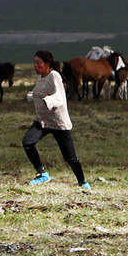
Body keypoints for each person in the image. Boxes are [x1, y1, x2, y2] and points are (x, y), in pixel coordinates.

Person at [23, 50, 91, 189]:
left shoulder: (54, 76)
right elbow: (40, 92)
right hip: (42, 121)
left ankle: (82, 182)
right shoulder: (41, 77)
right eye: (34, 63)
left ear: (47, 63)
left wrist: (48, 100)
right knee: (28, 142)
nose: (35, 66)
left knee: (70, 158)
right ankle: (42, 174)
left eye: (39, 63)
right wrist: (32, 95)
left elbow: (60, 97)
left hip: (59, 123)